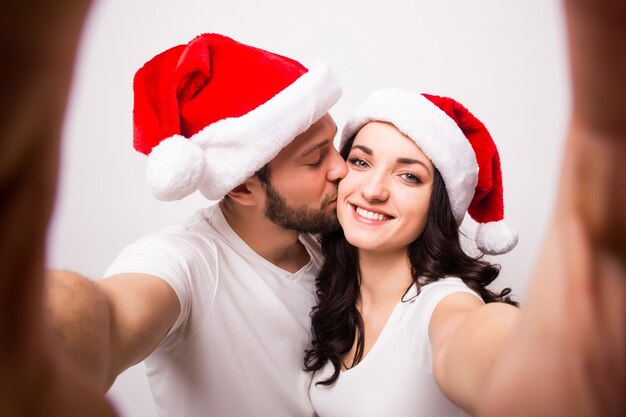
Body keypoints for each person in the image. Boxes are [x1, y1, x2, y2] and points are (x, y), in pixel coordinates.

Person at [45, 33, 346, 417]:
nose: (340, 168)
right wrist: (37, 332)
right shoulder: (186, 262)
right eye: (315, 159)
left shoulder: (331, 237)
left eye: (333, 146)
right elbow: (112, 316)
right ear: (240, 186)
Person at [304, 88, 520, 417]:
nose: (373, 190)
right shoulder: (332, 291)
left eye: (409, 176)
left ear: (438, 206)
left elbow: (482, 340)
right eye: (361, 161)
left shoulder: (442, 304)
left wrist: (518, 354)